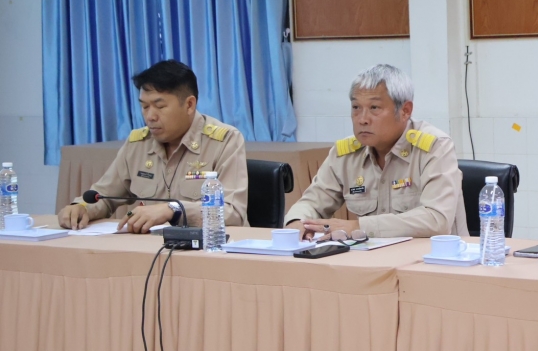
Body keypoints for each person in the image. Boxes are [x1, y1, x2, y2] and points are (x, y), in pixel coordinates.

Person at [58, 60, 248, 233]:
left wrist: (173, 210)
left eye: (160, 106)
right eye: (145, 107)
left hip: (208, 248)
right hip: (150, 248)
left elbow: (232, 212)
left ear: (189, 105)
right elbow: (103, 196)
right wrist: (81, 208)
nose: (150, 116)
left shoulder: (224, 141)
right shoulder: (138, 144)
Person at [284, 64, 468, 239]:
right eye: (356, 107)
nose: (362, 119)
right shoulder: (345, 155)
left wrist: (358, 227)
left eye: (374, 108)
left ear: (405, 111)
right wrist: (297, 222)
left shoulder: (435, 147)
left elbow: (437, 219)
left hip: (434, 256)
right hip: (371, 256)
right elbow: (312, 202)